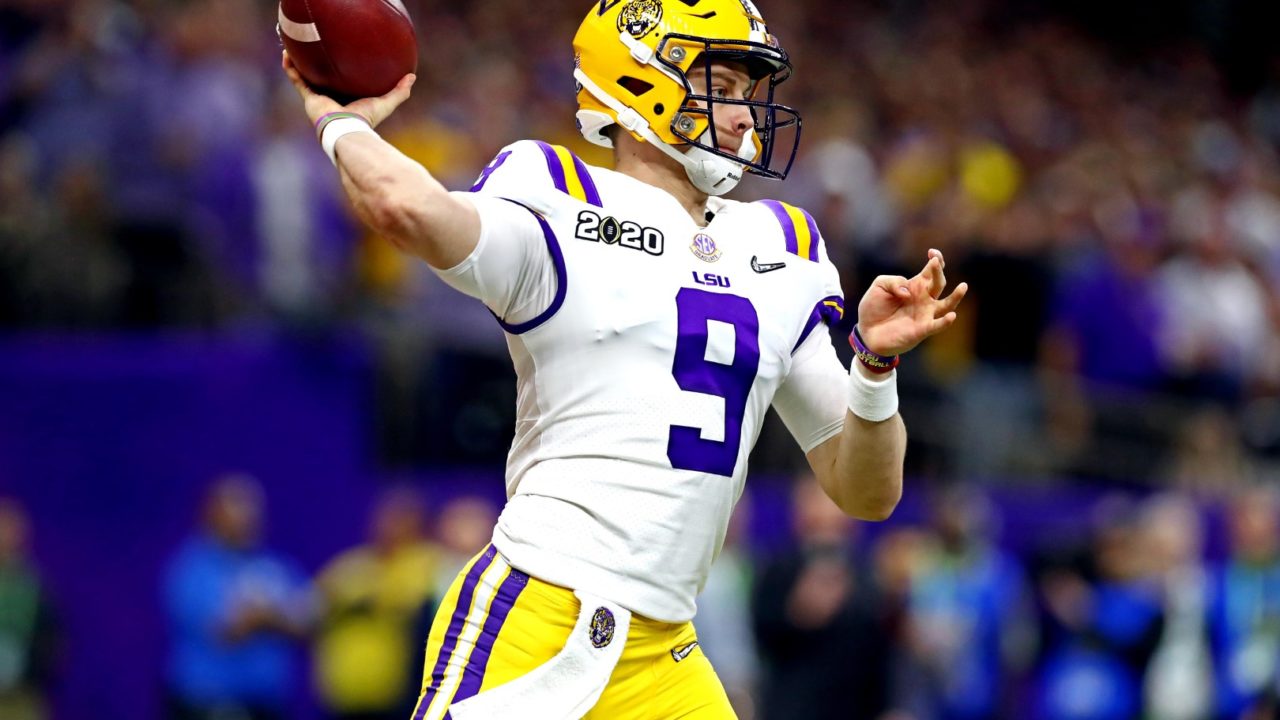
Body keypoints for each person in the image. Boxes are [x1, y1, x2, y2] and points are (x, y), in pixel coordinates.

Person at [283, 1, 967, 716]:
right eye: (721, 88)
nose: (744, 117)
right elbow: (407, 207)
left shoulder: (782, 248)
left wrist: (873, 370)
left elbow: (867, 493)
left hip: (666, 651)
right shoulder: (558, 193)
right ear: (638, 80)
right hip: (542, 616)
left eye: (748, 95)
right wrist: (341, 121)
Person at [163, 474, 312, 720]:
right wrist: (275, 617)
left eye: (253, 507)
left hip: (268, 705)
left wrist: (263, 617)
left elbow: (307, 624)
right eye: (238, 506)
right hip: (210, 704)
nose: (249, 515)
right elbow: (226, 631)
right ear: (212, 512)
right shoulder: (192, 569)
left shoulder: (274, 566)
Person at [314, 486, 441, 720]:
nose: (390, 526)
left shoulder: (430, 564)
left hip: (400, 697)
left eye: (401, 518)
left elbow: (409, 605)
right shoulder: (353, 564)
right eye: (387, 518)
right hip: (345, 699)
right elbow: (315, 606)